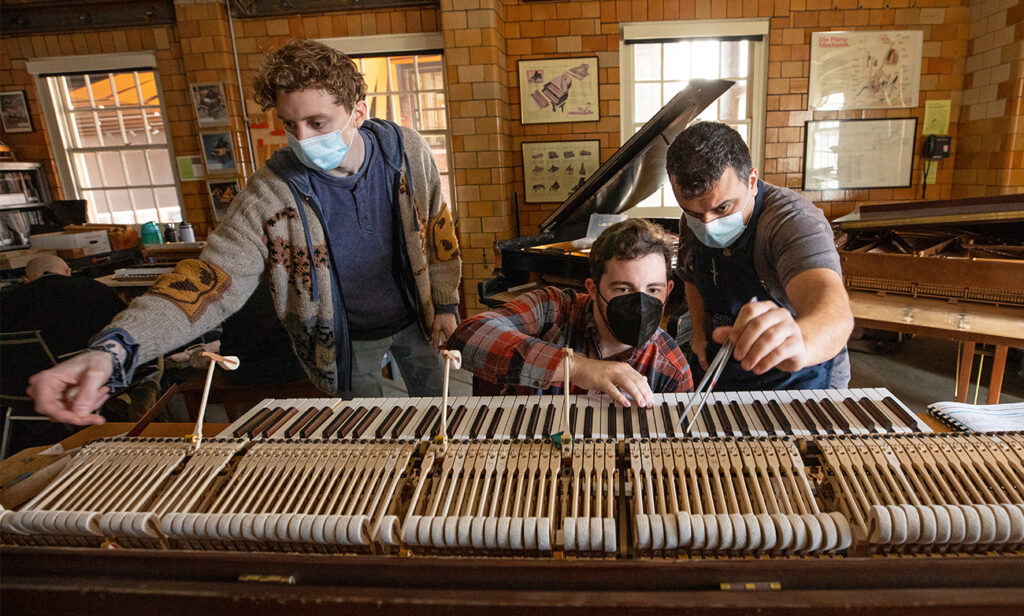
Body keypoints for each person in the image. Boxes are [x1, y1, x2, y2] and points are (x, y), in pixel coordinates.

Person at [28, 39, 462, 426]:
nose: (303, 139)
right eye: (290, 125)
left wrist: (445, 302)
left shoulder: (406, 152)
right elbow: (210, 280)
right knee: (371, 436)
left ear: (358, 112)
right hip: (344, 339)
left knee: (443, 415)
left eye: (317, 123)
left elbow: (438, 228)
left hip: (417, 318)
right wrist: (115, 351)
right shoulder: (270, 193)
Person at [666, 121, 853, 391]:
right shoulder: (692, 221)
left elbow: (831, 307)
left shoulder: (793, 221)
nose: (707, 224)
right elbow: (692, 277)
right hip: (728, 359)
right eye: (693, 213)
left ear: (752, 182)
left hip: (798, 374)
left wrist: (800, 343)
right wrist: (699, 336)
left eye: (723, 208)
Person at [446, 219, 692, 408]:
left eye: (653, 290)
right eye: (623, 288)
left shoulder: (671, 368)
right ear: (593, 289)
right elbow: (466, 336)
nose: (640, 302)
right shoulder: (552, 309)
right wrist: (576, 368)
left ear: (668, 290)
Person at [0, 255, 125, 358]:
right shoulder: (97, 288)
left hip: (37, 371)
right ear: (68, 272)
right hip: (97, 360)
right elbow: (123, 323)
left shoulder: (10, 299)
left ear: (27, 280)